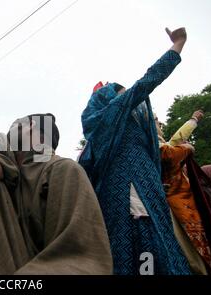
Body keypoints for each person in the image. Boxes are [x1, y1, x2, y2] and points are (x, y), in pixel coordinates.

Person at [0, 114, 112, 274]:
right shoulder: (1, 171)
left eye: (15, 124)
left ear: (32, 125)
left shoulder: (64, 170)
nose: (9, 130)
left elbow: (81, 254)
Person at [78, 28, 191, 274]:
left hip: (145, 184)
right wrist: (178, 45)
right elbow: (149, 80)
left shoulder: (126, 125)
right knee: (140, 241)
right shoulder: (113, 113)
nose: (133, 100)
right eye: (122, 94)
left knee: (155, 237)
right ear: (109, 100)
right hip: (128, 187)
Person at [157, 111, 211, 274]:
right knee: (190, 251)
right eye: (156, 120)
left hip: (183, 204)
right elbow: (168, 154)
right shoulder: (149, 140)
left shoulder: (157, 140)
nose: (160, 123)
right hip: (175, 206)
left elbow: (175, 141)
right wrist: (187, 148)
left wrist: (193, 120)